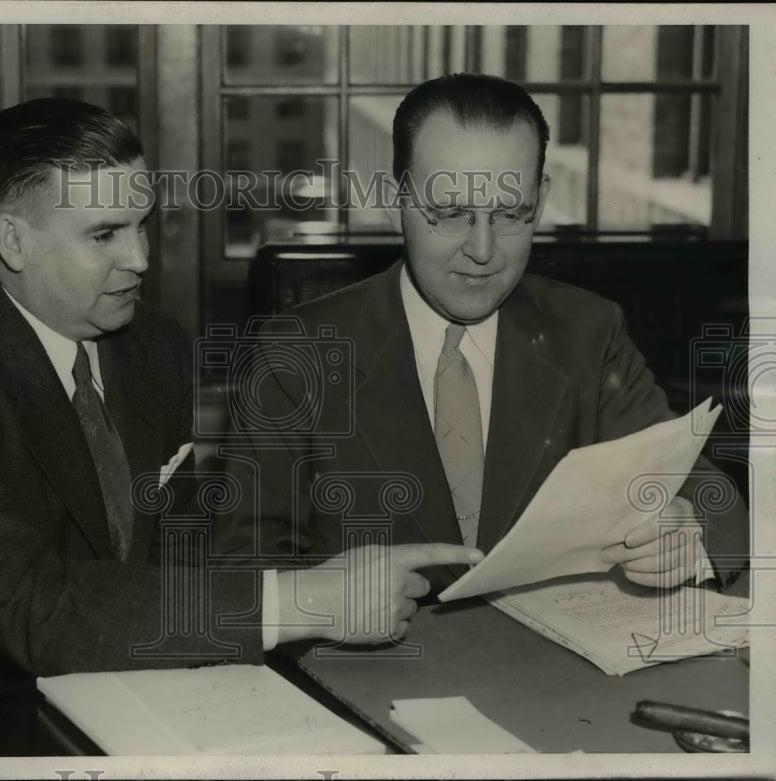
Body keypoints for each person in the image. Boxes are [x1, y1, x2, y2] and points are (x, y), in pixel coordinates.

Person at [0, 98, 480, 717]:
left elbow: (174, 551)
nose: (140, 258)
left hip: (107, 679)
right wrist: (307, 602)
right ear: (13, 241)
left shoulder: (153, 344)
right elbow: (33, 609)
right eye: (104, 235)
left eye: (142, 225)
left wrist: (322, 576)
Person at [213, 73, 748, 597]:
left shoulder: (589, 331)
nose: (484, 250)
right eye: (450, 214)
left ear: (540, 200)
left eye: (511, 214)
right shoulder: (293, 353)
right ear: (399, 198)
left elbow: (711, 493)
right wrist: (323, 597)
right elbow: (239, 565)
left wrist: (689, 533)